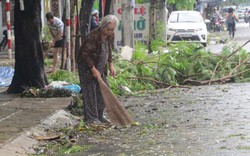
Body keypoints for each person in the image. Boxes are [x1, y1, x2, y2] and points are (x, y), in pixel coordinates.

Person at [77, 15, 119, 124]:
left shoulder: (110, 35)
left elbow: (109, 49)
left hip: (101, 67)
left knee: (103, 91)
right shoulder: (93, 36)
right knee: (90, 93)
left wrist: (110, 64)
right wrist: (92, 69)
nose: (110, 32)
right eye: (108, 29)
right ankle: (91, 118)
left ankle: (99, 115)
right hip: (87, 67)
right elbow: (85, 54)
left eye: (112, 30)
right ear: (102, 26)